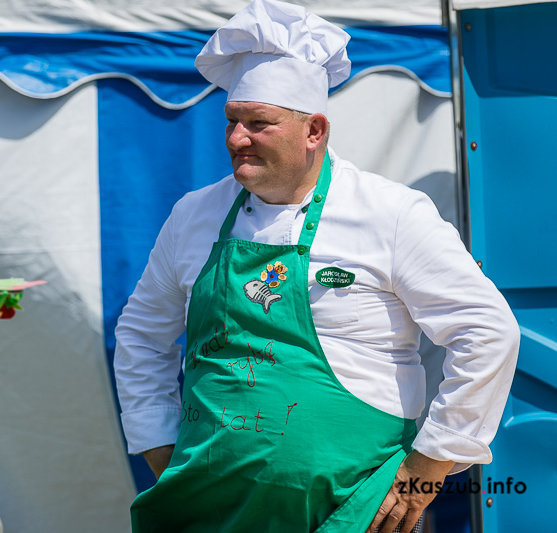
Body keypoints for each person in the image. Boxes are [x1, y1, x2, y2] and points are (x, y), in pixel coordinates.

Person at [113, 1, 519, 532]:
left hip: (354, 511)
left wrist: (429, 466)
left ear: (314, 131)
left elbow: (487, 331)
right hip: (205, 511)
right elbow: (141, 335)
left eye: (259, 124)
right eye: (232, 121)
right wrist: (157, 442)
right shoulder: (193, 215)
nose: (236, 139)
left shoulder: (391, 214)